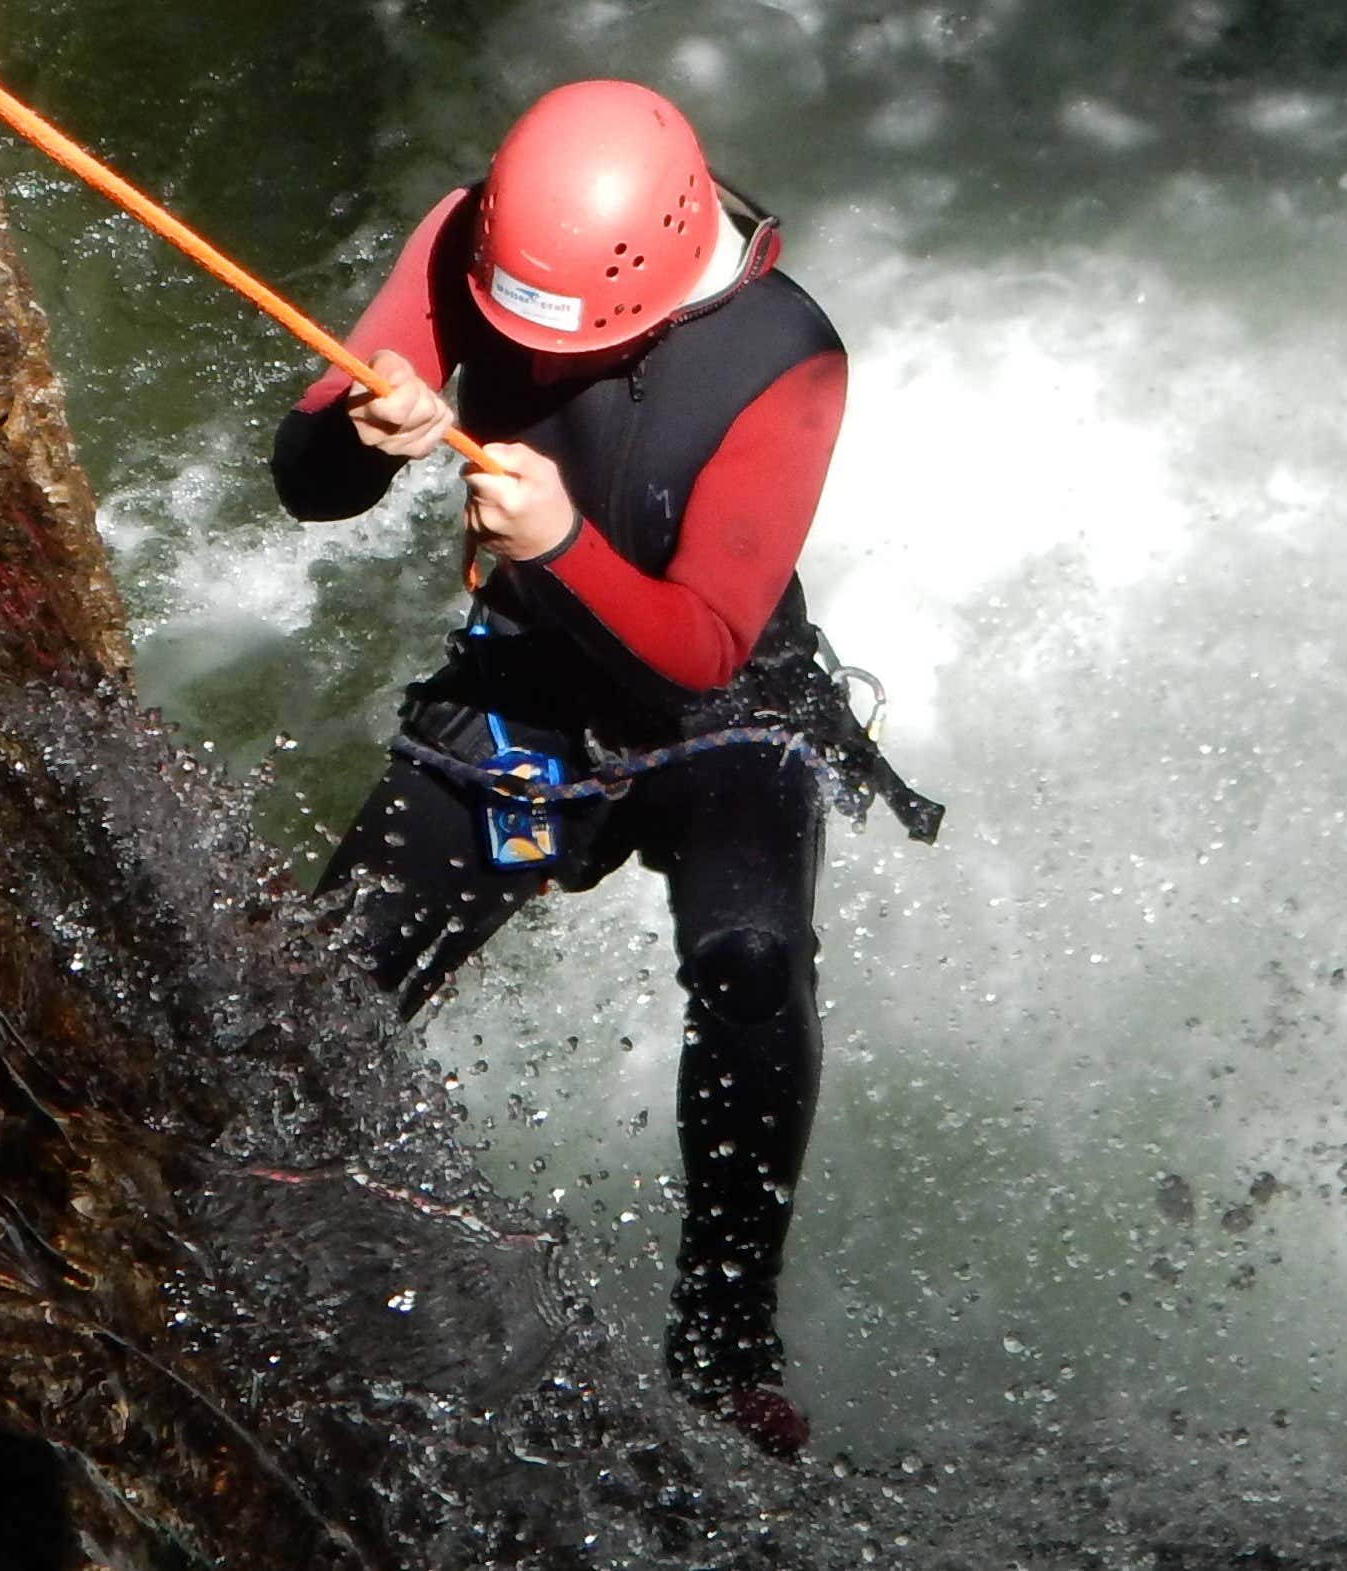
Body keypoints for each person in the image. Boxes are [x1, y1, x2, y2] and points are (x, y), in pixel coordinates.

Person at [266, 80, 937, 1461]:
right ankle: (266, 1231)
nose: (539, 365)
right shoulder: (471, 236)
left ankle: (725, 1337)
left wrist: (562, 545)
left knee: (752, 960)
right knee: (311, 995)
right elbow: (307, 478)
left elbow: (693, 652)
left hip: (721, 709)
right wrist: (361, 431)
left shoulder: (786, 352)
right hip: (525, 696)